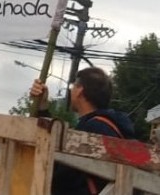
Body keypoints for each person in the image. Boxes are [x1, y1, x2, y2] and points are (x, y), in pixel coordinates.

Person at [30, 67, 135, 195]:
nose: (71, 91)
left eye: (73, 86)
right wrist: (43, 107)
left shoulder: (92, 129)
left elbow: (61, 177)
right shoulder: (111, 127)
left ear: (79, 90)